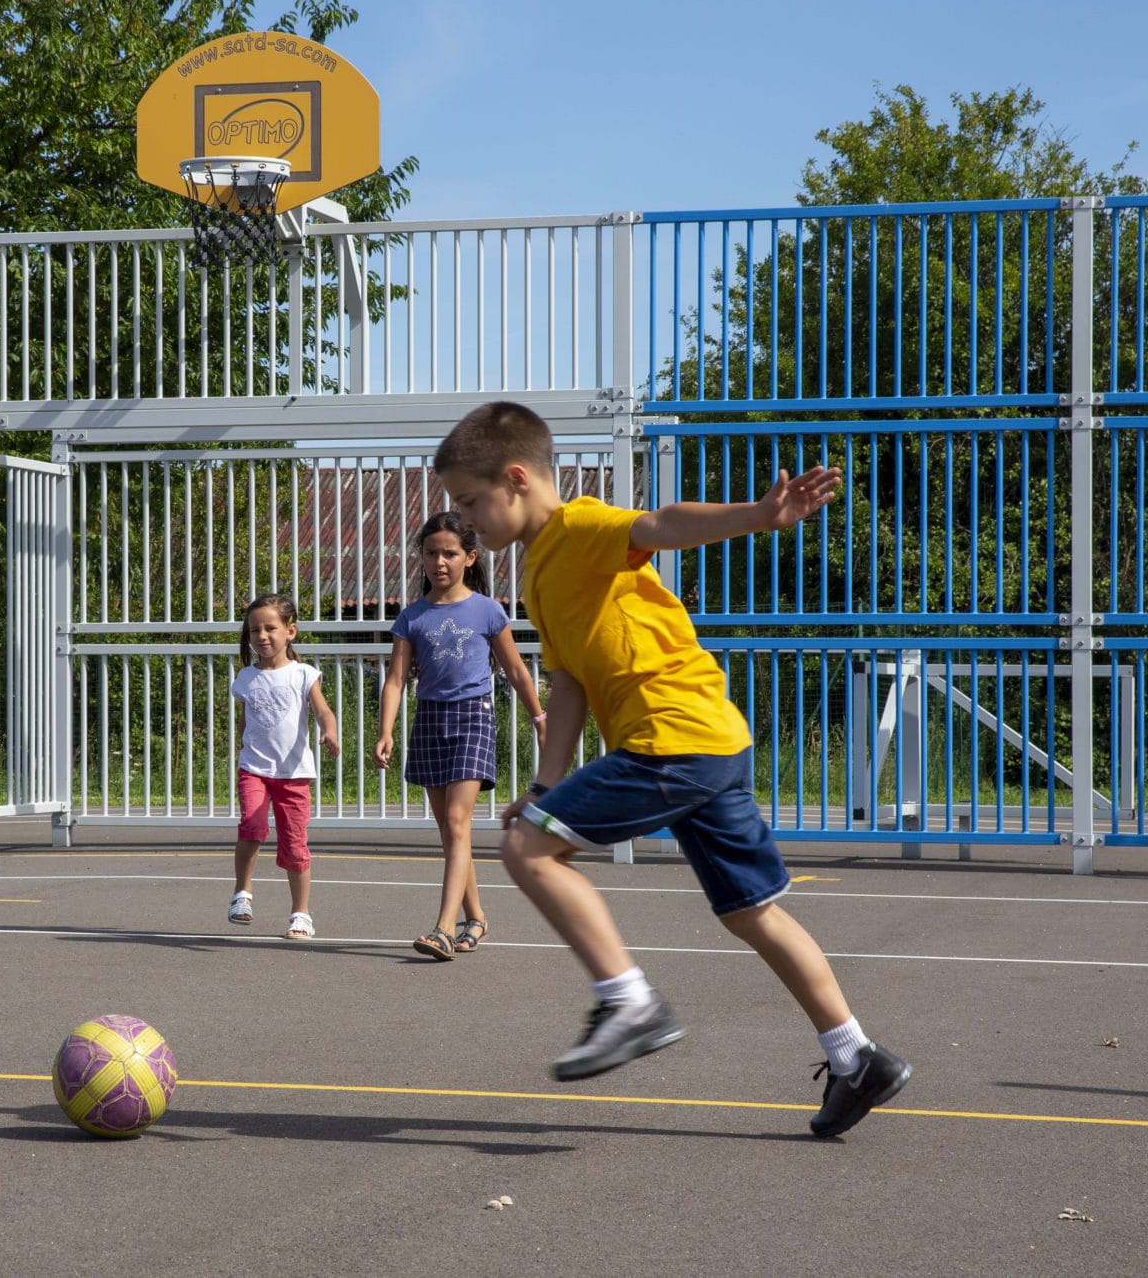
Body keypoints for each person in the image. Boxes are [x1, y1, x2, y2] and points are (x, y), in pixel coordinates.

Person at [432, 402, 910, 1138]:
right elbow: (570, 683)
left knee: (527, 849)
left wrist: (759, 512)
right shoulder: (535, 575)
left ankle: (628, 1000)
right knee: (751, 910)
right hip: (712, 739)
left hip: (674, 734)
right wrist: (545, 785)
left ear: (518, 478)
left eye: (470, 501)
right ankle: (856, 1056)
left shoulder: (577, 527)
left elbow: (661, 525)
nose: (465, 519)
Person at [373, 511, 547, 961]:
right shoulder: (412, 616)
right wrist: (386, 730)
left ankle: (443, 929)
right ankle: (477, 918)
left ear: (470, 557)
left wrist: (539, 717)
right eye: (431, 553)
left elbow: (513, 669)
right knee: (450, 833)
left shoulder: (487, 610)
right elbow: (396, 680)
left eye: (449, 553)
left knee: (457, 823)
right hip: (429, 719)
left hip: (474, 716)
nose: (440, 562)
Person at [229, 593, 341, 940]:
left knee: (294, 846)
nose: (262, 636)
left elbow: (322, 710)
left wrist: (330, 731)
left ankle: (301, 914)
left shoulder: (304, 674)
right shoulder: (246, 678)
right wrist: (243, 751)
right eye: (254, 630)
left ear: (290, 631)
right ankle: (242, 894)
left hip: (293, 775)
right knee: (252, 825)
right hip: (255, 770)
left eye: (270, 628)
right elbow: (245, 722)